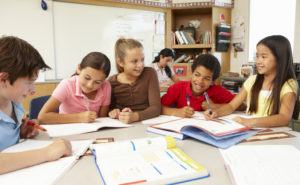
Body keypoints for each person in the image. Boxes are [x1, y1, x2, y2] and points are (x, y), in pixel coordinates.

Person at [0, 36, 71, 174]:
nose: (33, 90)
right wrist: (47, 153)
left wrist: (20, 133)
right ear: (3, 79)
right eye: (29, 83)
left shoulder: (14, 103)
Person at [205, 35, 299, 127]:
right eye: (257, 56)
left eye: (263, 57)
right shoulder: (252, 81)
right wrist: (216, 112)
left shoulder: (288, 84)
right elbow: (231, 106)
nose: (258, 61)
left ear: (279, 58)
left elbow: (284, 118)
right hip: (250, 132)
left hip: (275, 135)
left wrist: (249, 122)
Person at [38, 52, 111, 124]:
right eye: (87, 78)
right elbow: (42, 117)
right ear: (79, 68)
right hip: (68, 131)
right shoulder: (67, 84)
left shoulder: (106, 86)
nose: (90, 85)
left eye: (97, 82)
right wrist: (79, 118)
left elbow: (103, 118)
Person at [161, 54, 243, 118]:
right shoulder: (178, 87)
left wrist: (216, 107)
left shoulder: (217, 90)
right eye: (197, 75)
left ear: (212, 81)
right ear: (191, 74)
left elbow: (242, 105)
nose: (200, 81)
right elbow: (158, 108)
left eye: (206, 78)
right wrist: (176, 112)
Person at [108, 38, 161, 124]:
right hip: (122, 126)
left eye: (142, 59)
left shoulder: (150, 73)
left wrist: (135, 116)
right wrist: (112, 112)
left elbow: (156, 108)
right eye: (134, 61)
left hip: (147, 123)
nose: (140, 65)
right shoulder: (111, 82)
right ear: (120, 62)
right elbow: (109, 109)